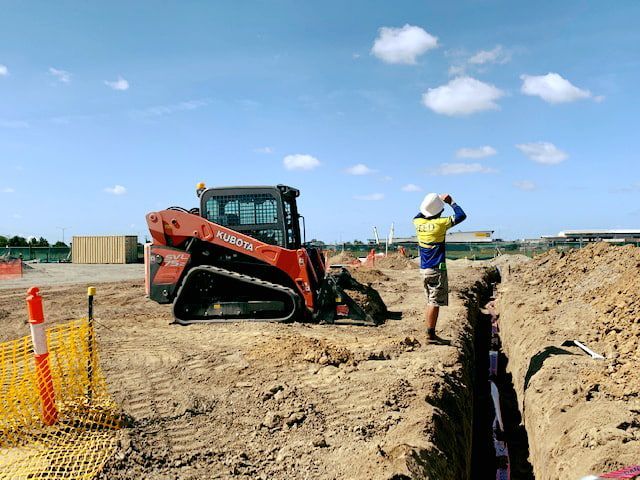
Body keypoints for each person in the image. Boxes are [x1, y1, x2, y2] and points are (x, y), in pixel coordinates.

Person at [413, 193, 467, 344]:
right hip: (436, 269)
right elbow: (461, 215)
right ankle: (430, 335)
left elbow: (421, 213)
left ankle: (430, 332)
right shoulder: (441, 223)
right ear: (439, 211)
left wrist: (432, 203)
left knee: (430, 300)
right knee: (434, 302)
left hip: (424, 269)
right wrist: (451, 202)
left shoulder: (417, 222)